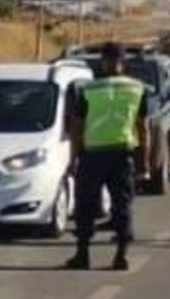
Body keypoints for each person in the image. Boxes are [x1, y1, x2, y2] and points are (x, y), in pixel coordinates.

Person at [64, 41, 151, 271]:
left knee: (85, 206)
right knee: (122, 205)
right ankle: (121, 255)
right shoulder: (137, 88)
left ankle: (83, 254)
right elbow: (143, 128)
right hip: (122, 153)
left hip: (93, 154)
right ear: (123, 62)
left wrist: (73, 159)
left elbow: (77, 128)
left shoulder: (89, 89)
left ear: (102, 62)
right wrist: (144, 160)